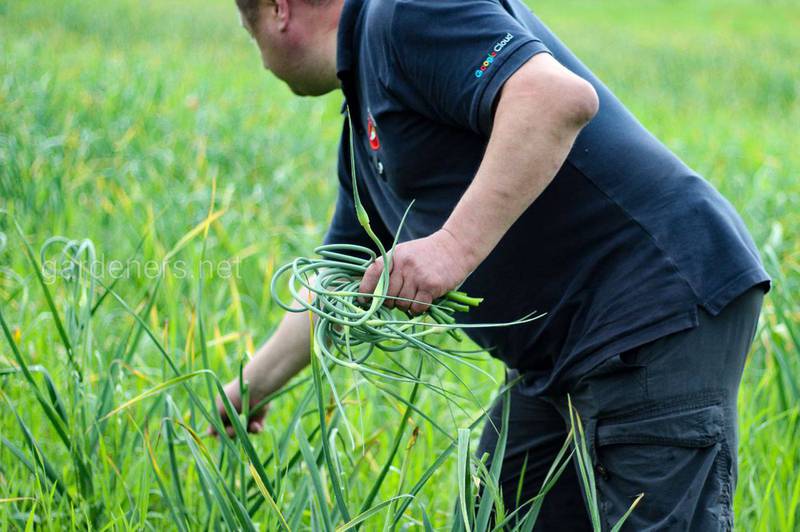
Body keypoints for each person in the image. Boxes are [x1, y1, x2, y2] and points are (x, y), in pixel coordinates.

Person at [215, 0, 771, 529]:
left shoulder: (405, 14)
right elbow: (336, 285)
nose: (261, 58)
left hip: (652, 311)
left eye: (249, 35)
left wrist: (450, 247)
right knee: (500, 512)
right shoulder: (365, 115)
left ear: (278, 10)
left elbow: (552, 98)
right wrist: (250, 387)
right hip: (560, 354)